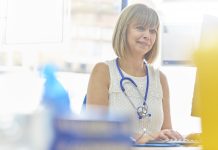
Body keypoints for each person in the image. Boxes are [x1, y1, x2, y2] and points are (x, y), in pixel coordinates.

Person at [86, 3, 183, 143]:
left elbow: (166, 133)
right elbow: (98, 128)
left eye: (152, 31)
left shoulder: (160, 78)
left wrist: (185, 137)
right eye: (140, 28)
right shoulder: (103, 71)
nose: (147, 36)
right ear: (123, 30)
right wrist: (145, 137)